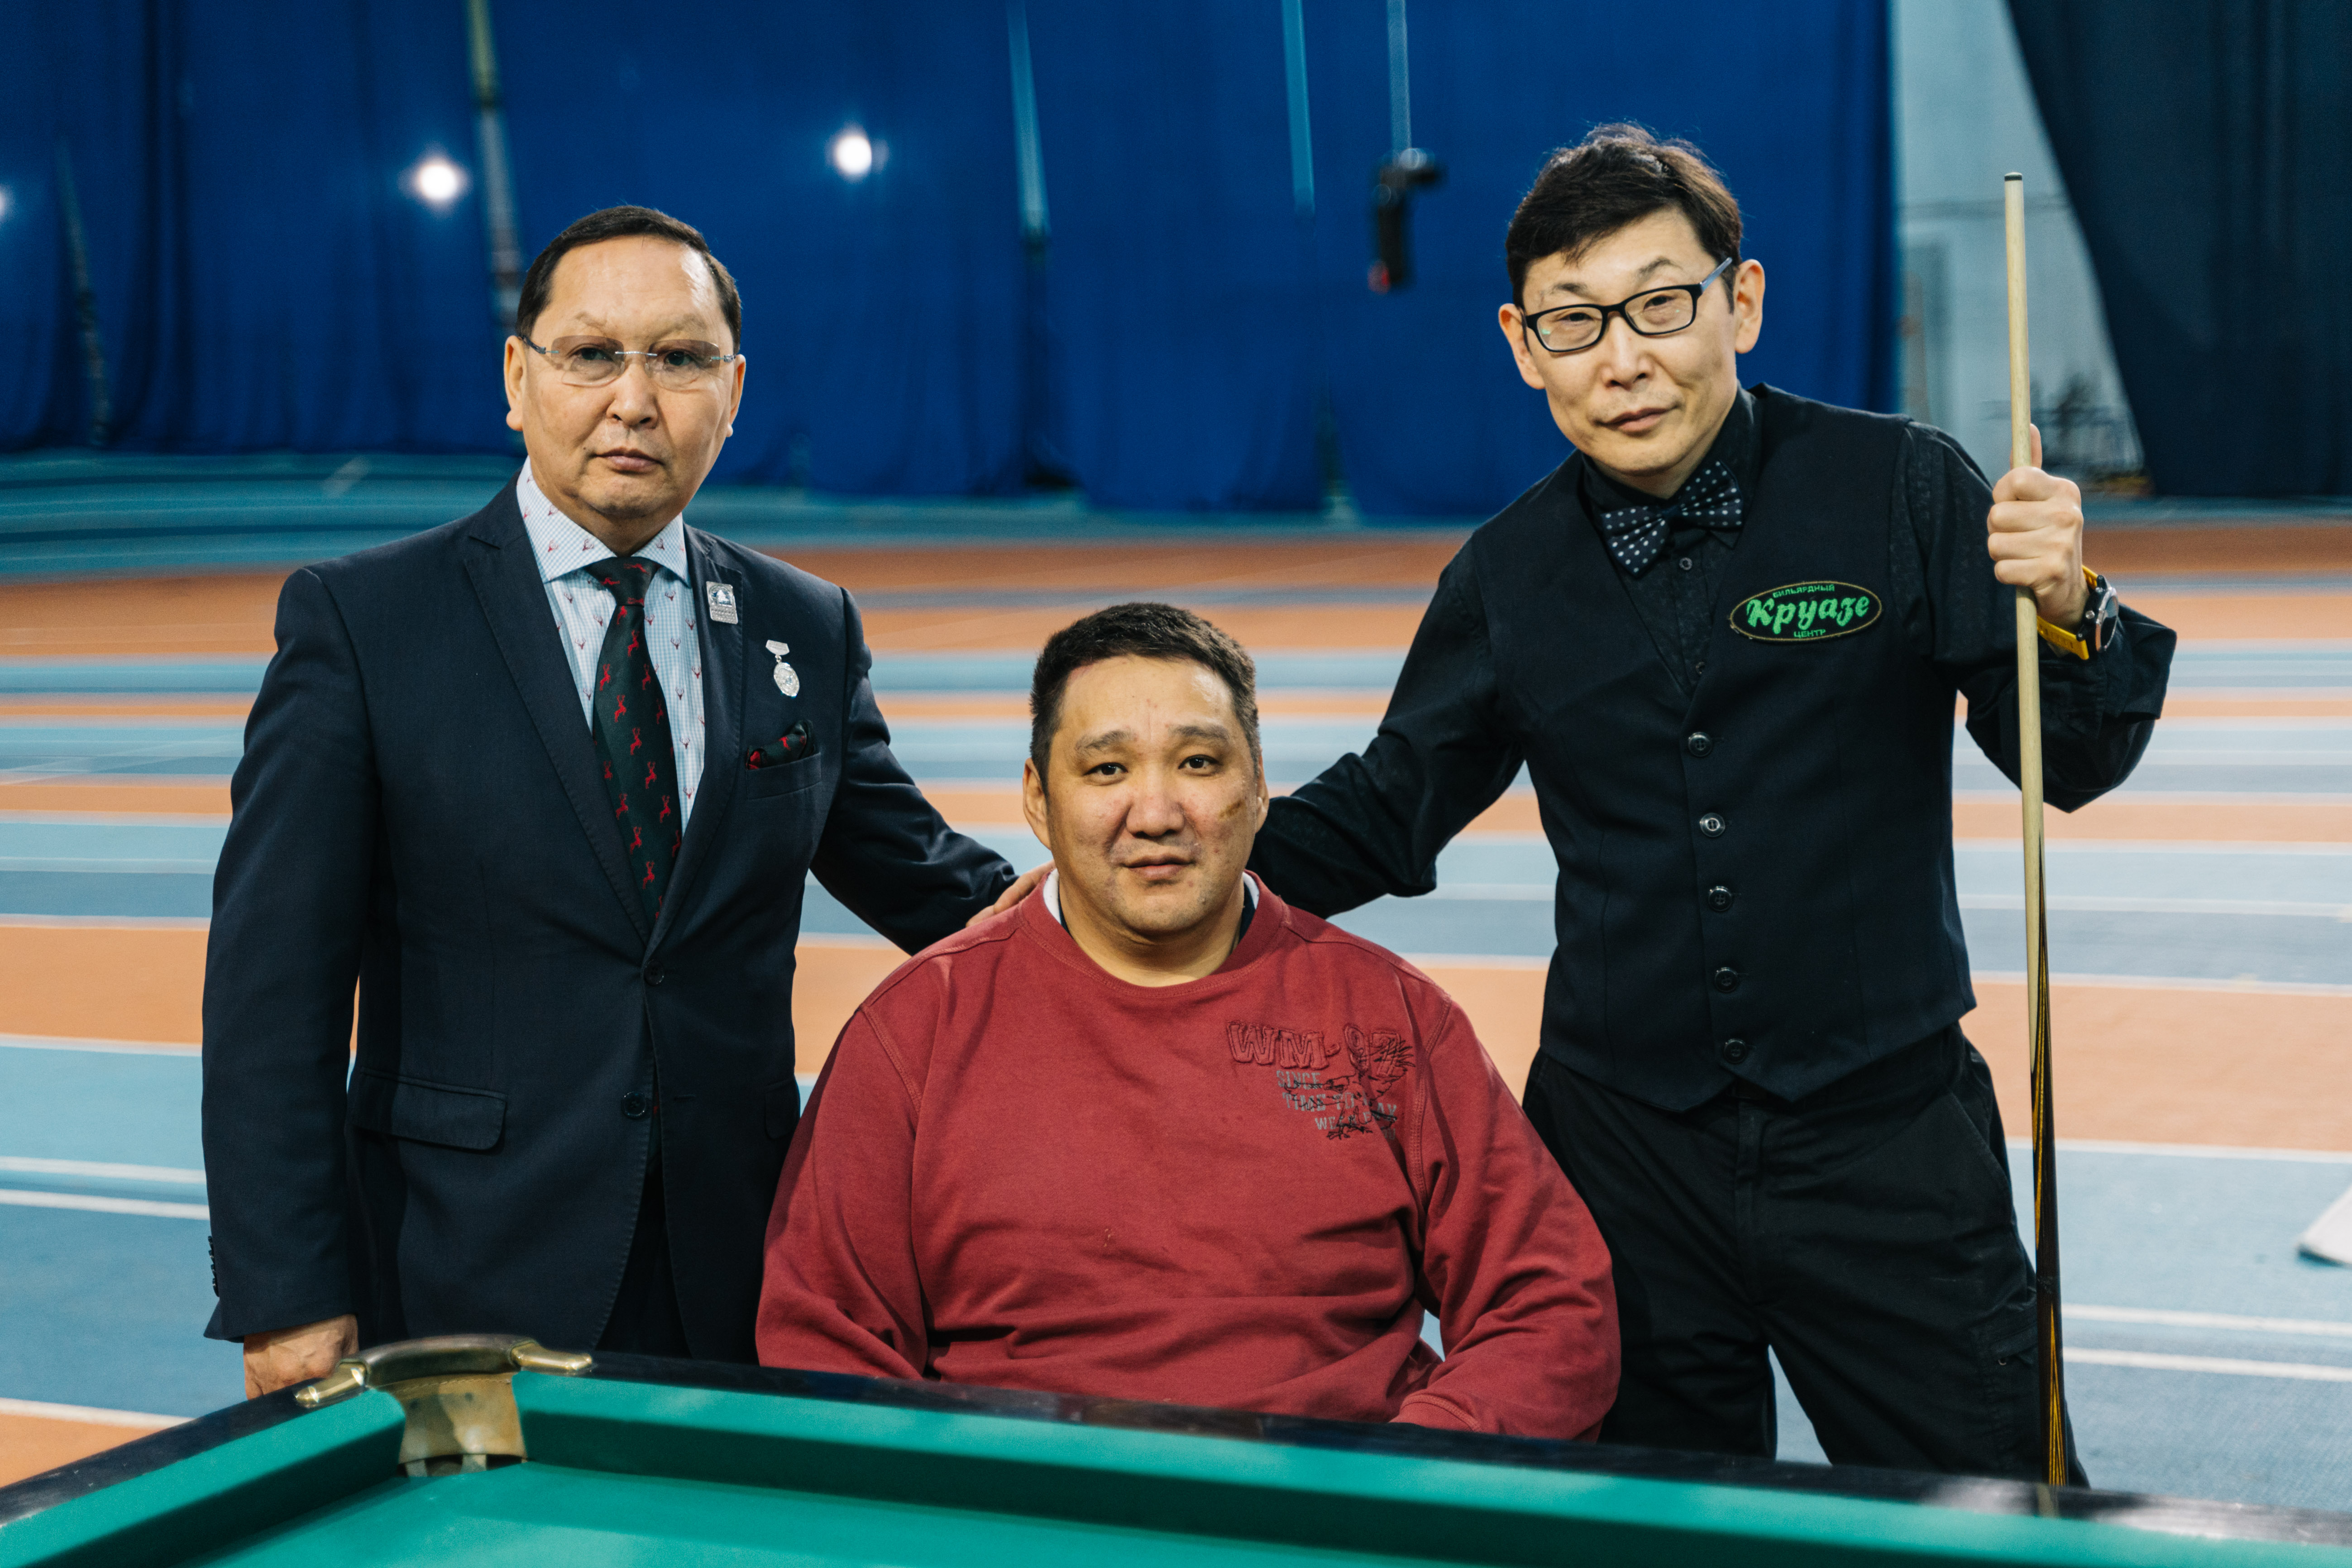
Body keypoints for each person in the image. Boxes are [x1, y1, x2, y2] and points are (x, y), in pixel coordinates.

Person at [1240, 129, 2176, 1477]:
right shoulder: (1502, 574)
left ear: (1741, 301)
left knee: (1993, 1514)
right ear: (1522, 346)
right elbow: (1385, 810)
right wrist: (1158, 871)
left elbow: (2072, 763)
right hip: (1619, 1158)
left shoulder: (1903, 487)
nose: (1622, 360)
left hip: (1888, 1140)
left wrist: (2072, 603)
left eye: (1660, 305)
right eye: (1574, 322)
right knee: (1645, 1526)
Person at [206, 205, 1015, 1396]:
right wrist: (286, 1295)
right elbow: (272, 995)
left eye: (680, 359)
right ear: (516, 377)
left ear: (733, 393)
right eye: (592, 355)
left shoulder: (803, 624)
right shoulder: (365, 623)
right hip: (457, 1268)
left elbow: (936, 887)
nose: (634, 400)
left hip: (739, 1267)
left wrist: (1187, 895)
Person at [758, 604, 1619, 1437]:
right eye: (1107, 770)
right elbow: (827, 1340)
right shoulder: (913, 1032)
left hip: (1336, 1506)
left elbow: (1549, 1304)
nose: (1157, 813)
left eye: (1199, 763)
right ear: (1038, 799)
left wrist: (1404, 1471)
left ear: (1259, 789)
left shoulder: (1389, 1017)